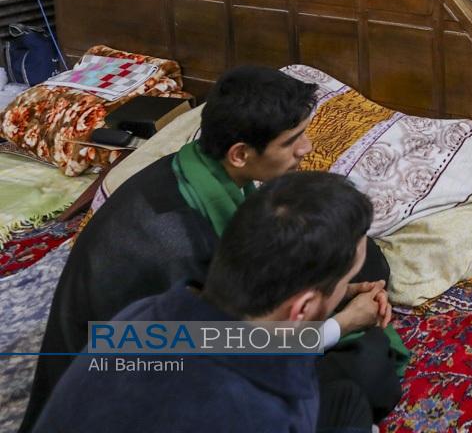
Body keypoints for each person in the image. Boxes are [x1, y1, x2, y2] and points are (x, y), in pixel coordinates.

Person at [21, 67, 400, 431]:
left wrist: (337, 291)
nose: (306, 148)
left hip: (179, 343)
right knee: (367, 368)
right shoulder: (180, 250)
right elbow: (223, 344)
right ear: (240, 153)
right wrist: (340, 324)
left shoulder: (193, 171)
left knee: (360, 256)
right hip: (152, 378)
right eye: (291, 141)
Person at [33, 172, 393, 433]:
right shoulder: (263, 410)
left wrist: (339, 314)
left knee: (346, 397)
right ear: (302, 308)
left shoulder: (141, 315)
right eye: (344, 281)